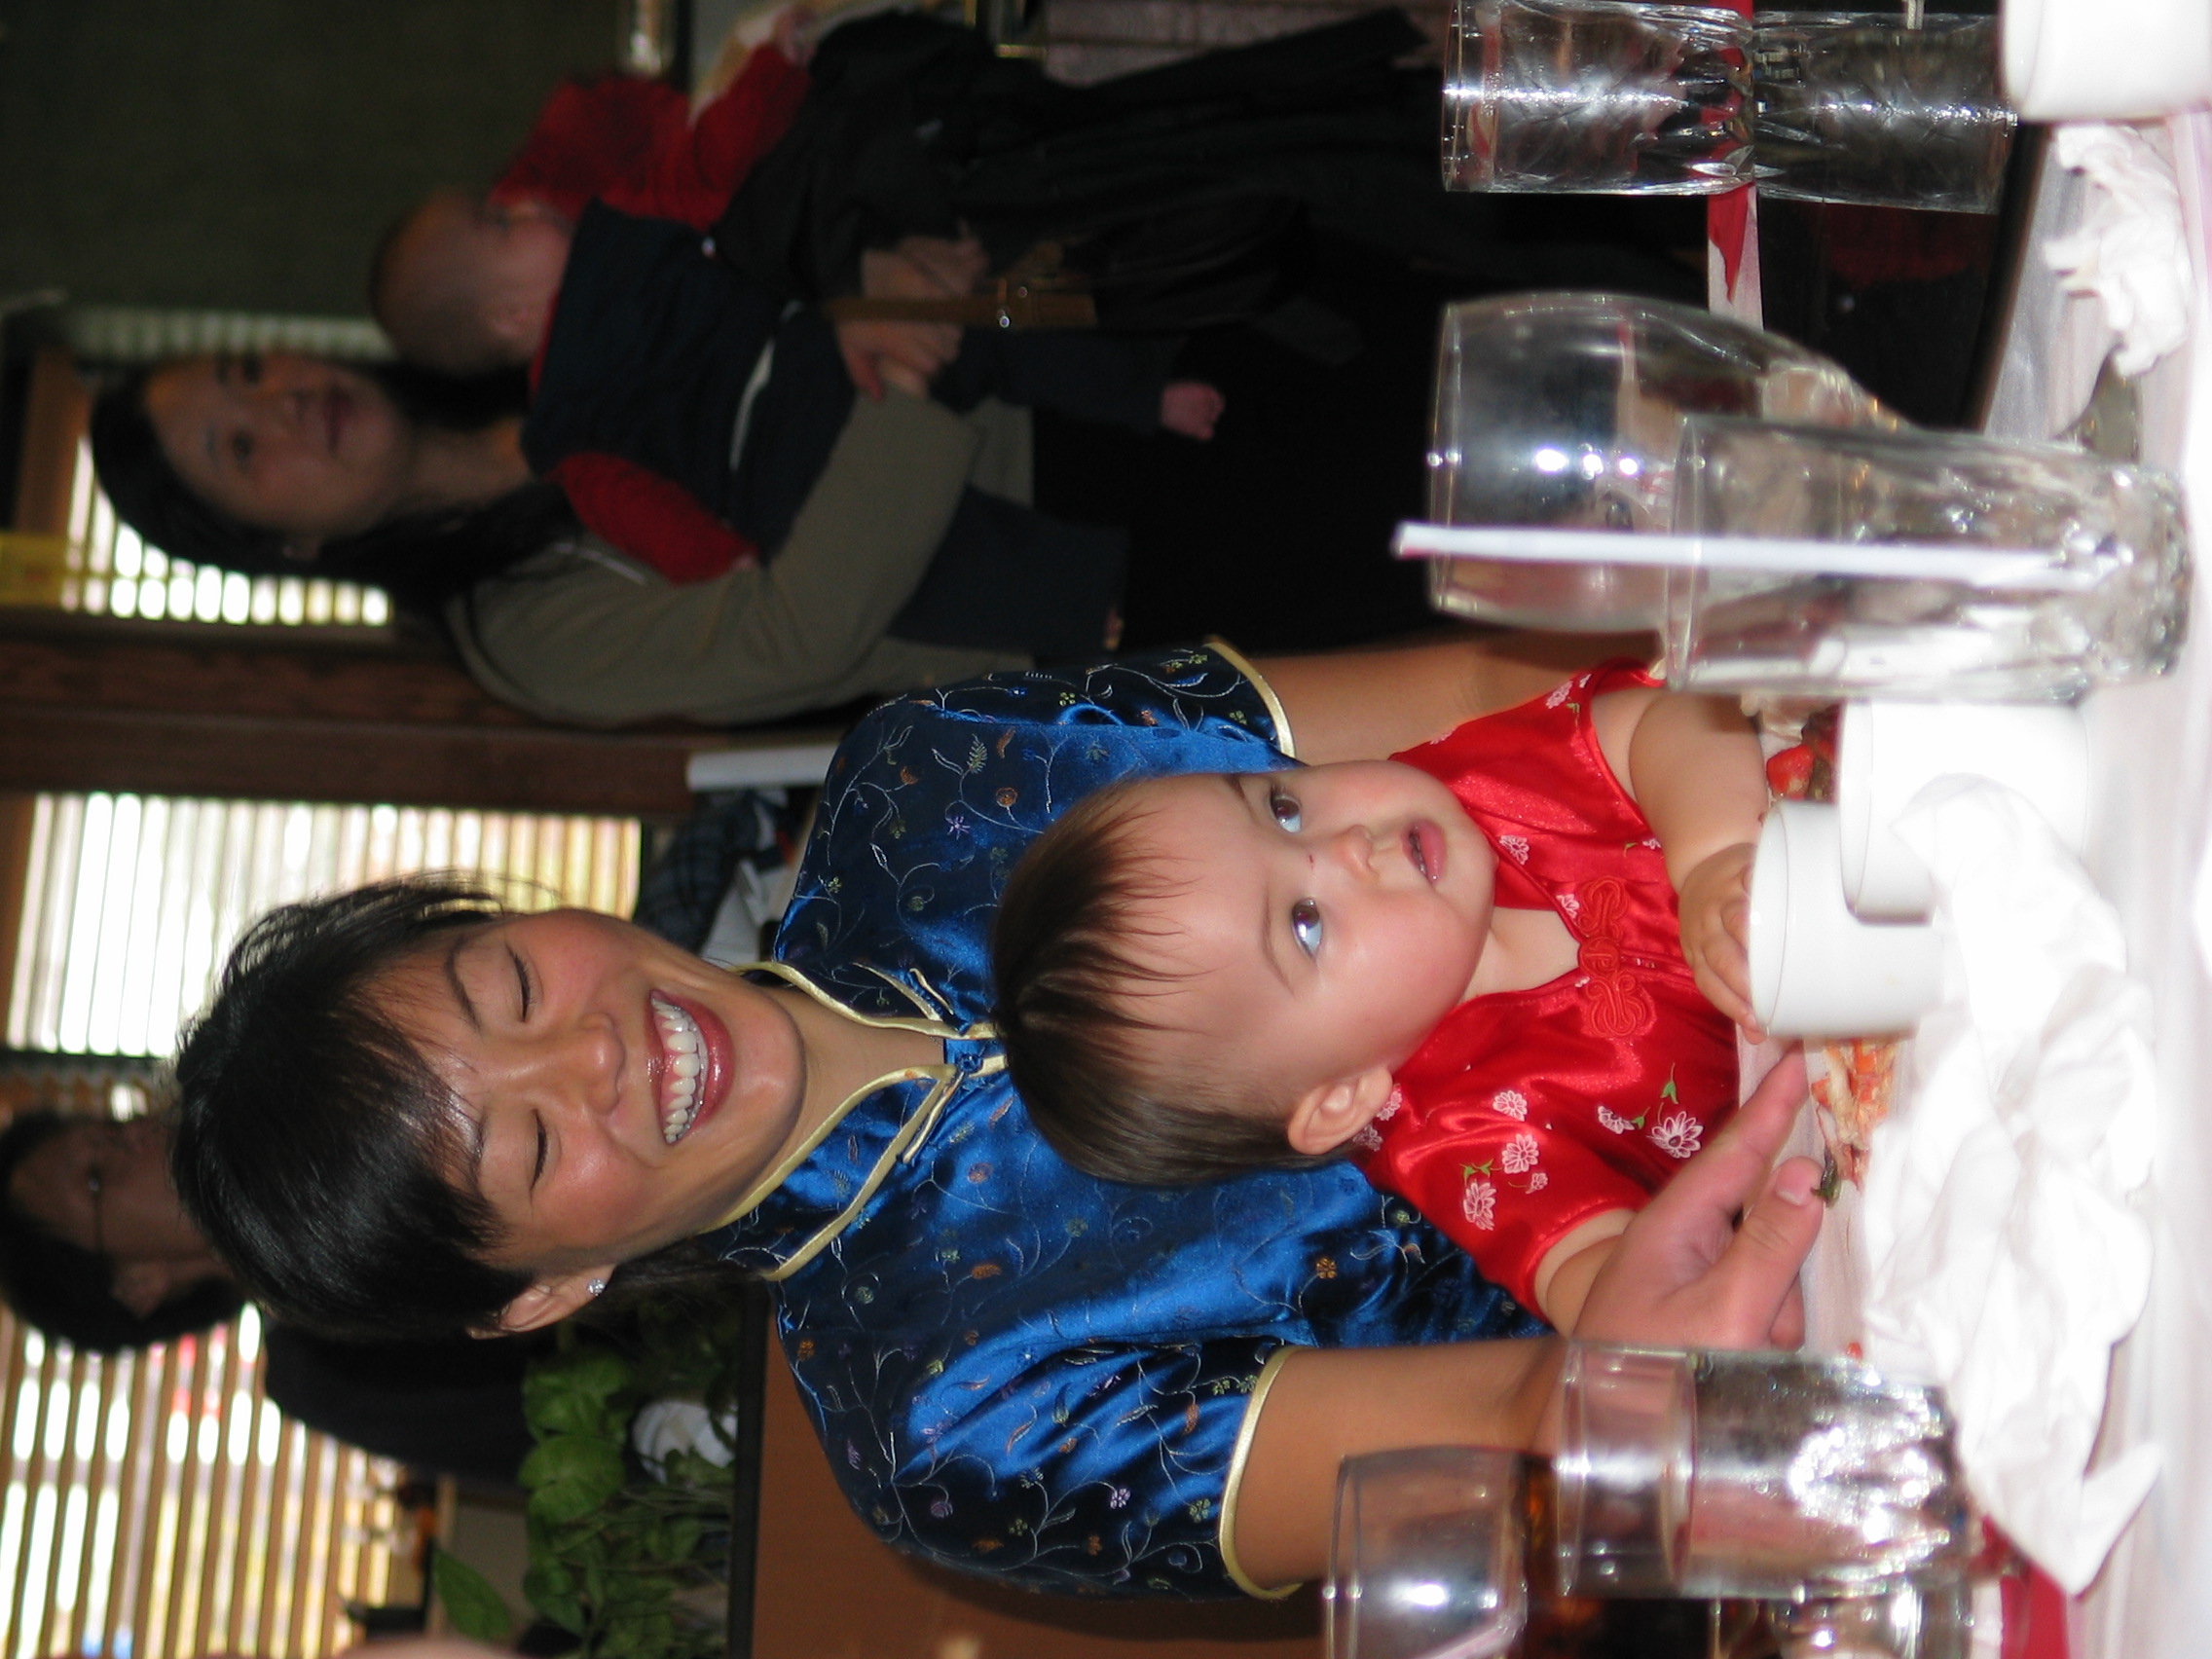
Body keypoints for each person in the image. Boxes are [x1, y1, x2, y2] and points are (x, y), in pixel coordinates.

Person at [167, 636, 1822, 1600]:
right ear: (543, 1291)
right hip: (1790, 1274)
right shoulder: (944, 1425)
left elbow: (1473, 693)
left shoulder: (930, 778)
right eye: (529, 1147)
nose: (592, 1051)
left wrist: (1721, 784)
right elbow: (1532, 1413)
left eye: (512, 980)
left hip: (1763, 850)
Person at [990, 663, 1768, 1334]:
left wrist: (1714, 856)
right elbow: (1591, 1274)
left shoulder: (1478, 785)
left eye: (1283, 809)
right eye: (1305, 924)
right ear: (1341, 1096)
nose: (1348, 845)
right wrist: (1636, 1313)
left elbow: (1670, 718)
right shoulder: (1458, 1136)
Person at [0, 1108, 545, 1485]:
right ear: (137, 1283)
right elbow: (554, 1443)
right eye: (98, 1176)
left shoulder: (322, 1102)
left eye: (114, 1128)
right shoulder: (322, 1373)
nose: (141, 1133)